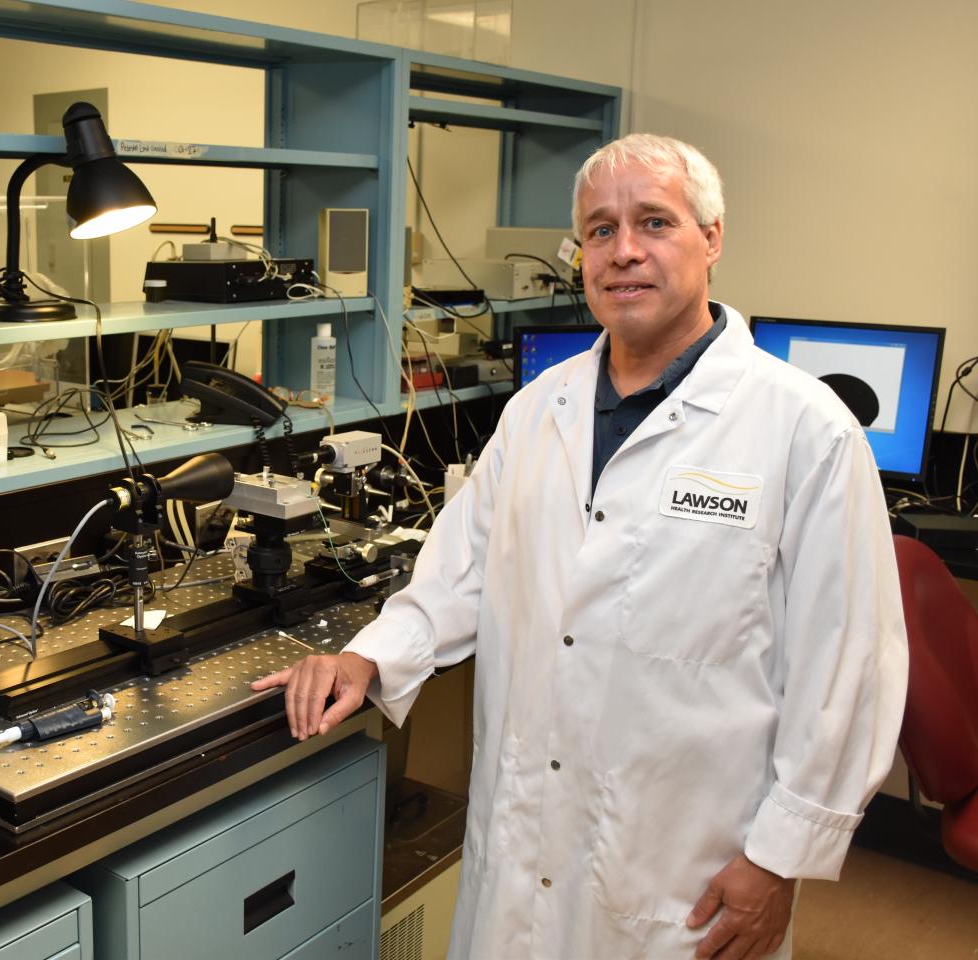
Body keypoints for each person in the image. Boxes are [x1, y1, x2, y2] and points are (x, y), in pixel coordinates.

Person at [253, 133, 907, 960]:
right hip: (526, 846)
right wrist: (368, 658)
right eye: (600, 230)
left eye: (654, 222)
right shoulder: (537, 411)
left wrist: (780, 859)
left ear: (712, 238)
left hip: (689, 872)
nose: (624, 250)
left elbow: (850, 666)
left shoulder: (804, 429)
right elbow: (459, 574)